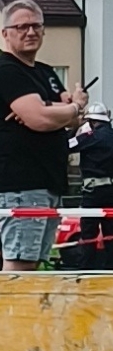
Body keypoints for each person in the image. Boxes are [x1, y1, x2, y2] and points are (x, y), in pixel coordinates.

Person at [0, 0, 86, 273]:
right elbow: (40, 119)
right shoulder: (5, 70)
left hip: (48, 181)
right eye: (22, 26)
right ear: (6, 33)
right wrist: (69, 106)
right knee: (20, 265)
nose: (30, 32)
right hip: (21, 183)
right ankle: (9, 316)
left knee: (34, 262)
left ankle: (21, 316)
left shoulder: (45, 72)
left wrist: (56, 109)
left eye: (36, 26)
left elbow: (73, 120)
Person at [74, 102, 113, 269]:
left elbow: (67, 146)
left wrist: (74, 128)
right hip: (111, 191)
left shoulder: (91, 137)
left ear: (90, 121)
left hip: (93, 192)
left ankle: (85, 272)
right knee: (111, 235)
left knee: (88, 235)